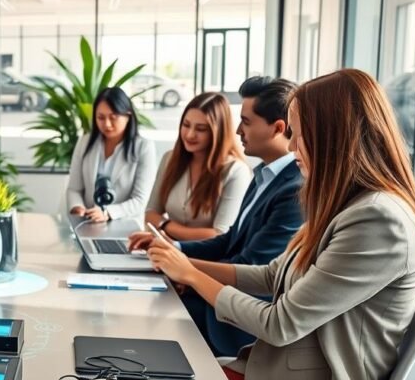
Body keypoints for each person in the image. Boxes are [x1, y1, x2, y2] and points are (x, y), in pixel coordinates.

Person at [146, 69, 415, 380]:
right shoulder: (345, 205)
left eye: (300, 134)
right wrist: (182, 264)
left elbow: (280, 324)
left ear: (334, 136)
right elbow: (272, 275)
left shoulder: (379, 219)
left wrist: (193, 276)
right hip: (274, 371)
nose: (293, 145)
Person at [130, 77, 303, 356]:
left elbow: (253, 268)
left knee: (145, 318)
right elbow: (229, 240)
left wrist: (185, 270)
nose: (237, 130)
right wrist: (172, 249)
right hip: (219, 299)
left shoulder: (294, 190)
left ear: (278, 128)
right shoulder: (264, 175)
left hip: (235, 322)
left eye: (246, 122)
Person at [143, 92, 250, 241]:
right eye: (186, 125)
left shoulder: (235, 171)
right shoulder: (170, 159)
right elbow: (150, 213)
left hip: (207, 260)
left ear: (217, 133)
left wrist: (166, 226)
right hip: (166, 251)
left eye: (200, 129)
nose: (190, 135)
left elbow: (220, 234)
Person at [66, 86, 157, 222]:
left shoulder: (144, 147)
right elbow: (74, 188)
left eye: (113, 118)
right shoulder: (85, 142)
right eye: (100, 118)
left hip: (124, 224)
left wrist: (107, 213)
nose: (107, 124)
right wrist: (78, 208)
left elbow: (140, 200)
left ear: (127, 116)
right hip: (87, 222)